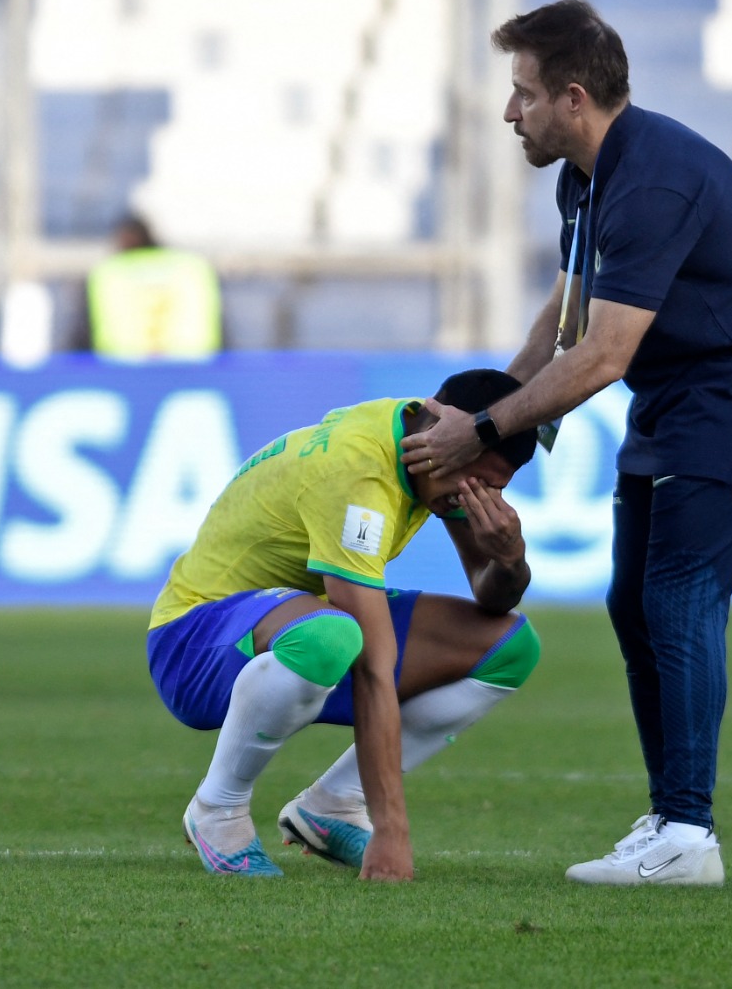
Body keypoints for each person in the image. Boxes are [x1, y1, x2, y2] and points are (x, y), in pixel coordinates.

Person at [401, 0, 732, 887]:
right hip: (673, 402)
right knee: (635, 603)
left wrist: (484, 434)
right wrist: (489, 410)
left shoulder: (655, 180)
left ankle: (690, 836)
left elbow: (605, 352)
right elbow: (566, 314)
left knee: (680, 599)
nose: (512, 113)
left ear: (573, 99)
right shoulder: (584, 177)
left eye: (524, 94)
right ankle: (669, 816)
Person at [146, 369, 542, 880]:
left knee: (509, 646)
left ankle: (331, 806)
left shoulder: (428, 447)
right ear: (441, 426)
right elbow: (376, 667)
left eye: (493, 487)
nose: (475, 495)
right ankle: (217, 809)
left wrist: (511, 559)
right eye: (477, 479)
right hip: (193, 644)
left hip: (298, 627)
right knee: (335, 635)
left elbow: (490, 594)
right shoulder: (358, 469)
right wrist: (391, 831)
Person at [83, 213, 222, 359]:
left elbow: (83, 330)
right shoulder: (191, 266)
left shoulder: (109, 271)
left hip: (123, 365)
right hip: (193, 365)